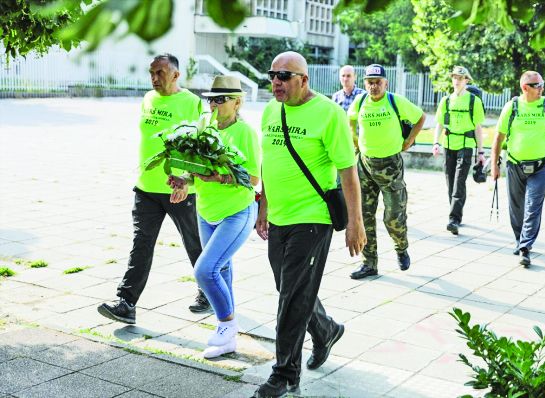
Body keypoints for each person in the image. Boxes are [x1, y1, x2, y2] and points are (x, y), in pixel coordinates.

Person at [253, 51, 366, 398]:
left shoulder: (329, 114)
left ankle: (285, 375)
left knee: (290, 297)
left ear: (304, 80)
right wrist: (264, 209)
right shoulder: (272, 111)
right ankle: (326, 329)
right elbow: (270, 163)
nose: (276, 82)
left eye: (284, 76)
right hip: (279, 217)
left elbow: (348, 171)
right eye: (272, 75)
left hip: (313, 219)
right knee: (291, 290)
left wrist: (355, 223)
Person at [97, 54, 208, 324]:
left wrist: (186, 179)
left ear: (176, 75)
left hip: (179, 190)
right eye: (152, 73)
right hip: (146, 188)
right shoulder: (148, 98)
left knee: (195, 245)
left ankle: (210, 292)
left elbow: (200, 146)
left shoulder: (192, 102)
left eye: (160, 72)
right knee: (141, 244)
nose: (154, 78)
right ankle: (126, 302)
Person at [167, 76, 260, 359]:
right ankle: (229, 339)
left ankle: (226, 326)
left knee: (204, 270)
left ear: (237, 102)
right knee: (222, 271)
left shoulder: (245, 133)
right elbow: (197, 171)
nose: (214, 104)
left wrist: (218, 175)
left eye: (221, 99)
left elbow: (254, 178)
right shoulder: (204, 126)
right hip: (205, 212)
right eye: (211, 99)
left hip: (236, 213)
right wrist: (184, 182)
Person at [347, 64, 425, 280]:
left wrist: (409, 140)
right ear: (365, 83)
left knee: (393, 216)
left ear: (385, 83)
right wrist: (354, 138)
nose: (374, 86)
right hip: (365, 166)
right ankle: (369, 263)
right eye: (370, 82)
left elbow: (420, 118)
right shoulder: (360, 102)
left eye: (378, 82)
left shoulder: (394, 101)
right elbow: (350, 120)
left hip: (390, 166)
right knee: (364, 216)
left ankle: (401, 248)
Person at [491, 71, 545, 268]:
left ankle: (525, 247)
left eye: (542, 84)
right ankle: (520, 239)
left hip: (541, 165)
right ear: (525, 88)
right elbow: (498, 137)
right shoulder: (513, 106)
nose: (542, 88)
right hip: (515, 164)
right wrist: (494, 164)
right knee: (516, 207)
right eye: (537, 85)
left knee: (533, 205)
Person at [433, 66, 486, 235]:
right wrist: (436, 143)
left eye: (460, 78)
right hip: (449, 144)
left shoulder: (473, 101)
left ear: (466, 81)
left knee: (459, 182)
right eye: (454, 77)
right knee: (450, 182)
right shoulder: (446, 101)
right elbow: (440, 124)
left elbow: (478, 128)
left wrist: (480, 152)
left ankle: (453, 219)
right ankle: (456, 214)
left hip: (466, 145)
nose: (456, 80)